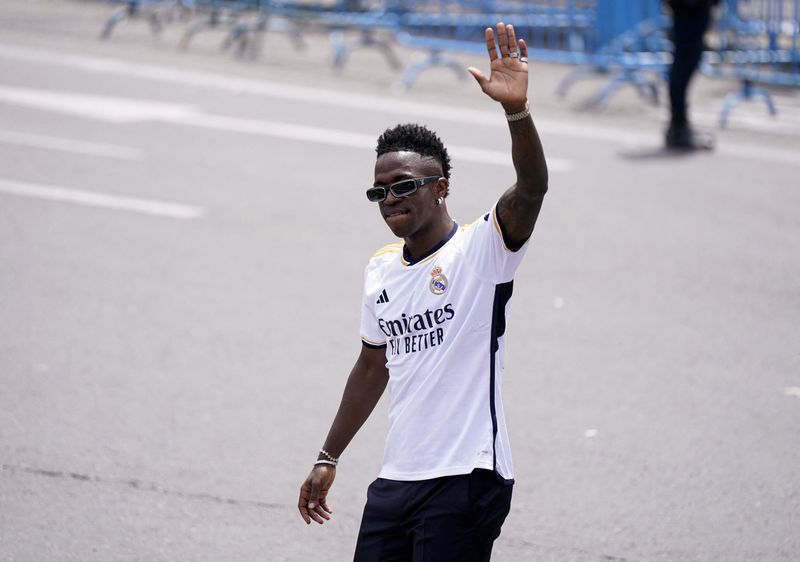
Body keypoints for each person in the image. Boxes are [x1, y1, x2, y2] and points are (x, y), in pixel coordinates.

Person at [297, 22, 548, 561]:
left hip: (465, 477)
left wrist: (516, 113)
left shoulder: (483, 251)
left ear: (441, 186)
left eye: (404, 185)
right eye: (380, 191)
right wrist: (328, 456)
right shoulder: (381, 270)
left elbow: (531, 188)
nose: (391, 198)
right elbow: (371, 367)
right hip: (397, 480)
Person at [665, 0, 719, 150]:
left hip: (691, 11)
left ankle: (678, 125)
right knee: (683, 67)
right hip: (690, 10)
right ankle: (678, 127)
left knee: (684, 65)